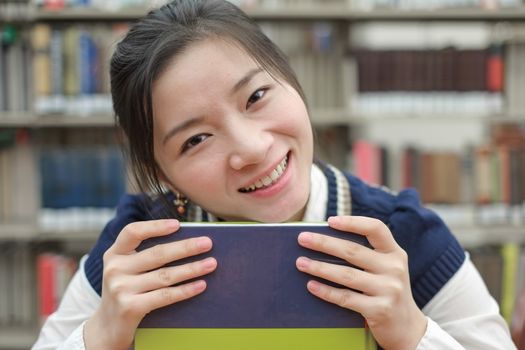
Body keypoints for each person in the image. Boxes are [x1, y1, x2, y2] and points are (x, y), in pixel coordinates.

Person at [32, 0, 516, 349]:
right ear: (163, 174)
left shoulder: (407, 234)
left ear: (291, 79)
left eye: (257, 97)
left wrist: (414, 334)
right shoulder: (138, 246)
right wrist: (97, 338)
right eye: (196, 140)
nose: (250, 148)